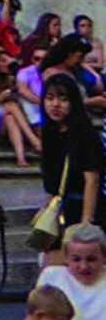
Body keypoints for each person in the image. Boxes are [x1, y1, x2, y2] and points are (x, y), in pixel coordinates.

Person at [37, 71, 103, 234]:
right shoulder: (49, 133)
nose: (55, 104)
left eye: (63, 99)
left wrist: (86, 221)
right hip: (60, 209)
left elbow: (92, 180)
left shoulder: (84, 135)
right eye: (50, 98)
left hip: (83, 207)